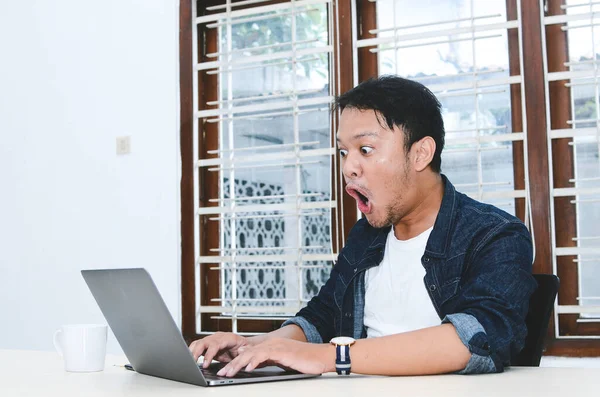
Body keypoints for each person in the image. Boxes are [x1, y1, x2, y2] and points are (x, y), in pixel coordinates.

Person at [189, 75, 537, 376]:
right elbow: (321, 318)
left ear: (420, 154)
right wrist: (254, 348)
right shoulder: (368, 233)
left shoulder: (495, 235)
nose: (348, 167)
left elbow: (475, 339)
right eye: (343, 152)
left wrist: (331, 357)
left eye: (365, 149)